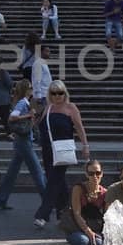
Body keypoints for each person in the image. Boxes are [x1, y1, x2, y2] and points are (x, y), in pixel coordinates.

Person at [35, 81, 90, 229]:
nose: (57, 96)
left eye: (60, 93)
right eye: (54, 93)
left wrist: (85, 145)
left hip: (63, 149)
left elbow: (79, 127)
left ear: (65, 93)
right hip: (48, 149)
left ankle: (43, 214)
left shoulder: (70, 108)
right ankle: (65, 213)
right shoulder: (48, 108)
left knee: (53, 181)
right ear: (50, 95)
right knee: (58, 182)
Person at [0, 80, 46, 211]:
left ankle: (0, 200)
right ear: (25, 89)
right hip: (23, 142)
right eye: (30, 87)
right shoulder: (23, 102)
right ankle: (48, 201)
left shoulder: (24, 102)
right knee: (37, 171)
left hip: (21, 141)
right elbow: (12, 117)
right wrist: (29, 115)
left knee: (12, 173)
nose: (32, 89)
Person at [63, 162, 110, 245]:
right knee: (83, 241)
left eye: (98, 173)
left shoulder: (105, 193)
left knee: (99, 243)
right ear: (86, 174)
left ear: (102, 174)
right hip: (76, 228)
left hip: (96, 228)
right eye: (91, 173)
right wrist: (87, 230)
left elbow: (106, 216)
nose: (95, 176)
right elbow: (77, 213)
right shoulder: (78, 189)